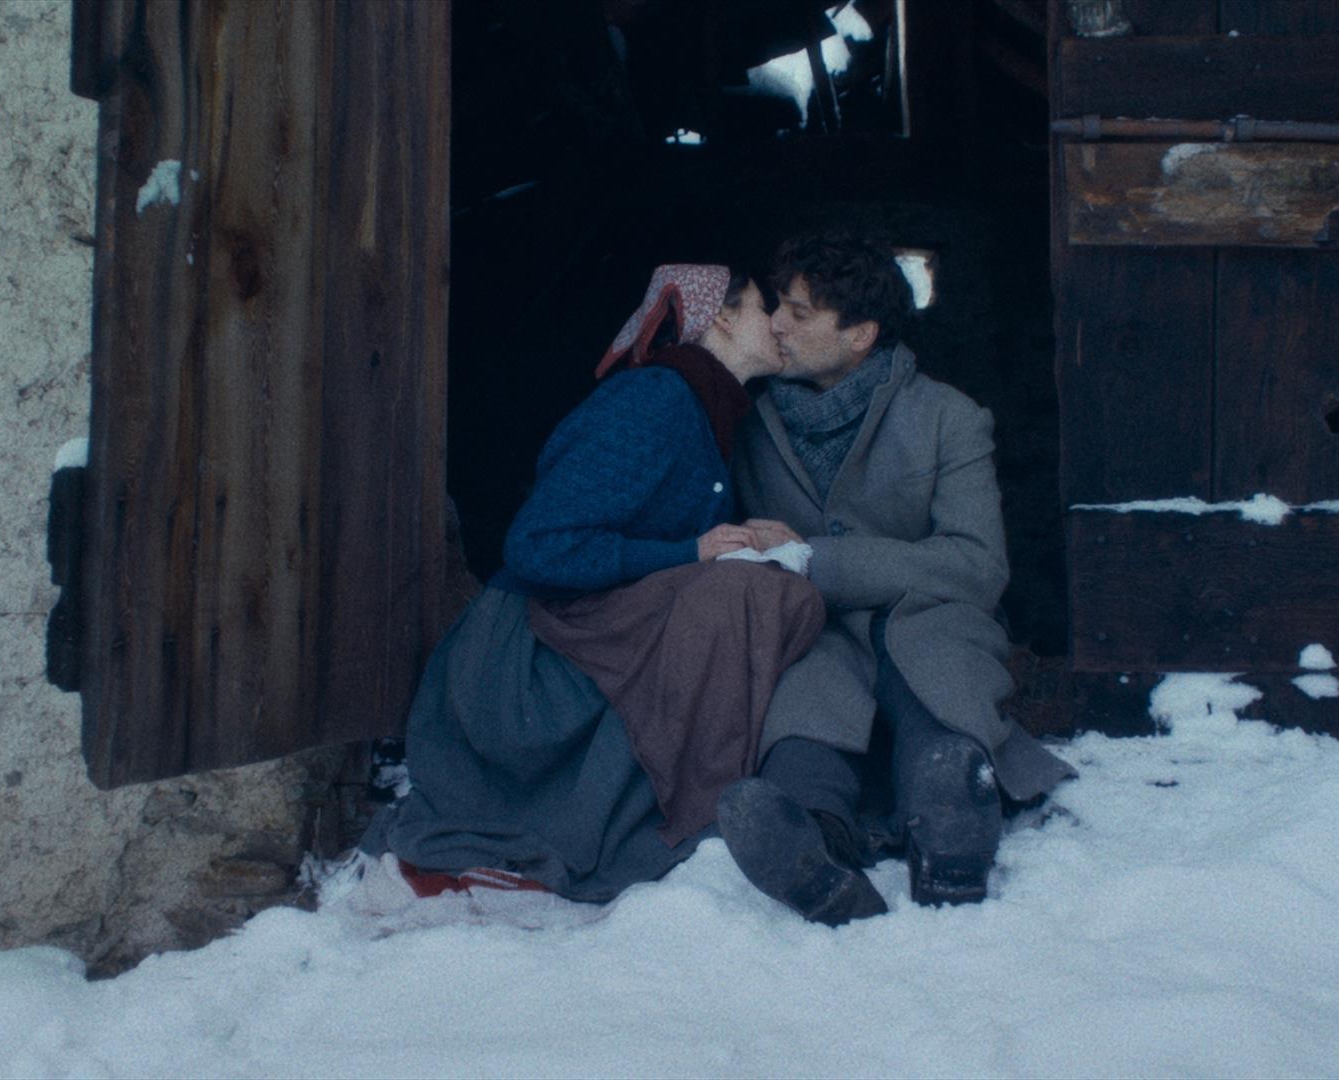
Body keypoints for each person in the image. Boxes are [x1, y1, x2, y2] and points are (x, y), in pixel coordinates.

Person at [363, 264, 824, 902]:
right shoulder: (654, 400)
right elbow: (538, 546)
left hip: (598, 626)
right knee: (742, 593)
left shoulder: (707, 409)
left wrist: (745, 538)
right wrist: (690, 550)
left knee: (772, 589)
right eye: (763, 306)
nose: (779, 322)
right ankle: (693, 807)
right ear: (719, 316)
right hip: (529, 652)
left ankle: (735, 797)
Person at [720, 229, 1076, 925]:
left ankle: (949, 822)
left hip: (930, 617)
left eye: (797, 312)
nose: (776, 325)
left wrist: (815, 559)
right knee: (802, 694)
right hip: (815, 625)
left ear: (859, 334)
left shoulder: (949, 418)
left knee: (938, 696)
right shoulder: (748, 420)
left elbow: (978, 565)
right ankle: (811, 847)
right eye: (778, 308)